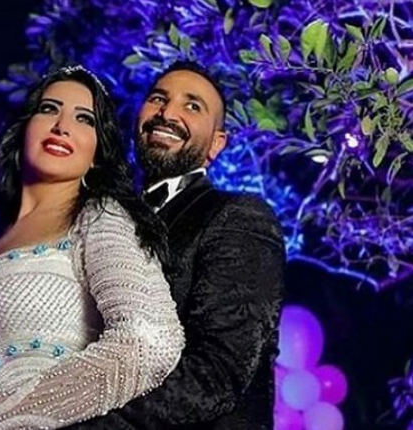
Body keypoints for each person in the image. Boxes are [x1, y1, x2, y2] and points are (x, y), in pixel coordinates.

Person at [0, 65, 185, 430]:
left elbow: (151, 341)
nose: (62, 126)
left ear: (97, 152)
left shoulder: (99, 217)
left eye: (84, 118)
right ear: (24, 129)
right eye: (49, 109)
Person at [63, 61, 286, 430]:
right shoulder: (100, 217)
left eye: (192, 106)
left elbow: (217, 374)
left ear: (216, 144)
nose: (167, 114)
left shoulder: (238, 216)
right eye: (158, 99)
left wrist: (73, 425)